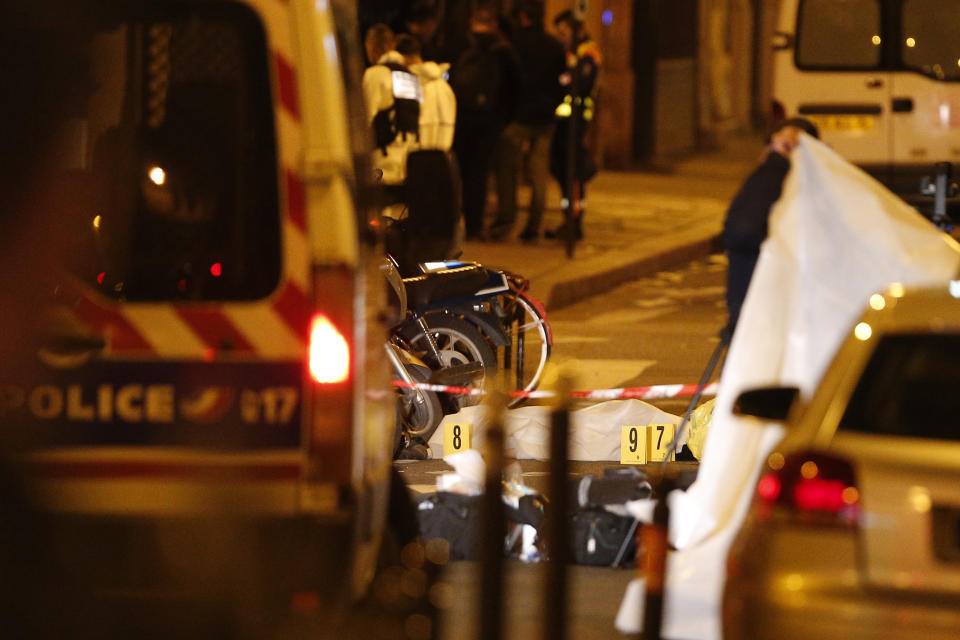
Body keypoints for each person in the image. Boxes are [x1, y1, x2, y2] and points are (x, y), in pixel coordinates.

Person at [722, 118, 820, 335]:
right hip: (766, 321)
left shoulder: (776, 181)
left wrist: (776, 162)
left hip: (775, 323)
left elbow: (742, 230)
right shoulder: (772, 182)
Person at [488, 0, 566, 243]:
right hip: (545, 118)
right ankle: (533, 226)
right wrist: (553, 104)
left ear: (522, 17)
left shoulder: (514, 45)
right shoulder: (554, 45)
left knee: (508, 171)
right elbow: (563, 81)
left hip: (517, 118)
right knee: (539, 172)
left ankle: (506, 220)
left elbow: (505, 83)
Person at [449, 4, 521, 240]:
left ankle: (454, 223)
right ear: (493, 25)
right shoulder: (503, 50)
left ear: (472, 23)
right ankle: (474, 226)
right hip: (489, 123)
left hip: (462, 119)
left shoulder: (461, 45)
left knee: (460, 172)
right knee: (479, 175)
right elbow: (515, 88)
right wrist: (504, 119)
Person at [547, 9, 601, 241]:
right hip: (564, 121)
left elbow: (580, 83)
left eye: (564, 32)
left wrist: (565, 77)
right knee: (562, 170)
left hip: (576, 121)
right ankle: (569, 217)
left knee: (573, 172)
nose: (561, 37)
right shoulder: (570, 52)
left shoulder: (587, 53)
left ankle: (574, 220)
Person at [362, 24, 421, 187]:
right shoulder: (410, 76)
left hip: (384, 158)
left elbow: (365, 117)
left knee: (384, 209)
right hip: (408, 156)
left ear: (371, 46)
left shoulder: (375, 74)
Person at [396, 34, 456, 152]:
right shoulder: (445, 87)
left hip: (415, 159)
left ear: (403, 58)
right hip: (442, 158)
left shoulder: (409, 86)